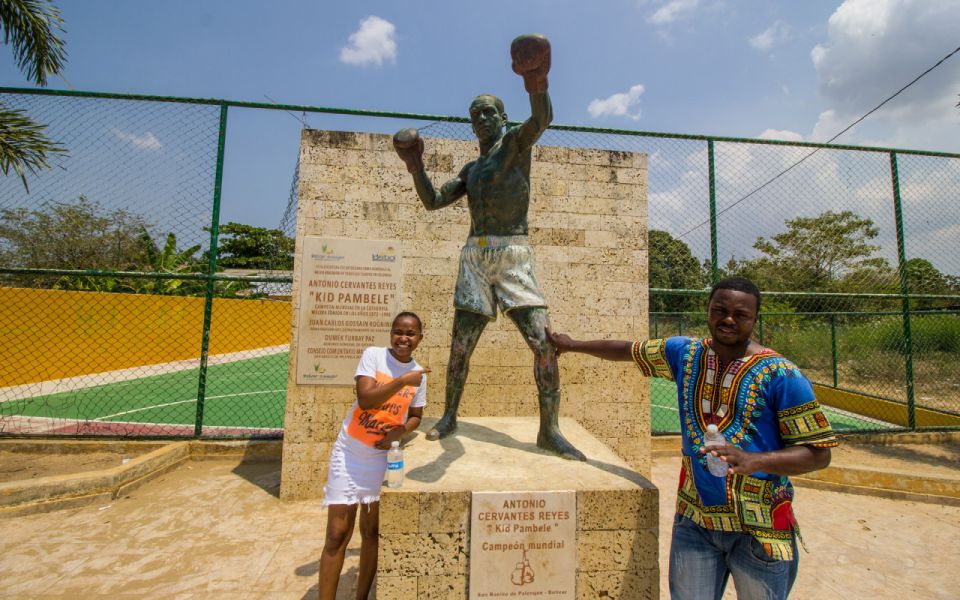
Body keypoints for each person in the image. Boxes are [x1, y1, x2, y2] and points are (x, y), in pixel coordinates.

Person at [547, 277, 838, 600]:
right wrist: (571, 345)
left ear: (755, 319)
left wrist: (754, 460)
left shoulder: (783, 375)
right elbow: (628, 350)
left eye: (740, 314)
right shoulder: (686, 354)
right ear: (708, 310)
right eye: (720, 310)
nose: (728, 319)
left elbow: (818, 453)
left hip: (759, 529)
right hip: (695, 521)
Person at [392, 34, 585, 461]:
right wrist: (414, 164)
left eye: (487, 112)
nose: (480, 118)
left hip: (513, 252)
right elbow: (433, 201)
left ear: (502, 117)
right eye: (474, 114)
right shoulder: (472, 169)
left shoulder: (516, 144)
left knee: (543, 344)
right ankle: (450, 416)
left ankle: (548, 430)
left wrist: (536, 78)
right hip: (475, 256)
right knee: (460, 346)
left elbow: (542, 120)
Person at [317, 311, 430, 600]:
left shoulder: (419, 375)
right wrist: (403, 380)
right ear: (391, 333)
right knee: (337, 535)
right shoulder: (374, 356)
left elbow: (416, 416)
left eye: (410, 333)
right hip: (350, 453)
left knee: (371, 534)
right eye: (398, 332)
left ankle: (362, 597)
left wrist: (399, 432)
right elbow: (366, 400)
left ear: (419, 338)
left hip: (382, 460)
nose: (403, 338)